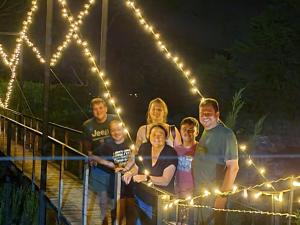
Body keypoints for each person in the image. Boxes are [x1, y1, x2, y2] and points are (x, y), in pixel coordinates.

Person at [193, 98, 239, 225]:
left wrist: (222, 197)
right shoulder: (206, 132)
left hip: (214, 197)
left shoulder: (226, 134)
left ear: (217, 115)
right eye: (202, 113)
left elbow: (233, 168)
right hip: (201, 195)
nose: (204, 116)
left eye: (208, 113)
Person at [123, 124, 178, 224]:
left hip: (160, 202)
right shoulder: (144, 148)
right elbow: (137, 167)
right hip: (141, 197)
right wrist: (130, 173)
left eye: (160, 134)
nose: (157, 137)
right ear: (149, 136)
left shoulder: (171, 153)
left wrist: (146, 178)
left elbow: (165, 180)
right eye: (154, 134)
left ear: (166, 137)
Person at [92, 120, 135, 225]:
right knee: (116, 211)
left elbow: (134, 157)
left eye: (119, 129)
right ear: (110, 132)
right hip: (114, 183)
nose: (116, 132)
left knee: (129, 212)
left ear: (124, 130)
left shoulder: (130, 143)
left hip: (129, 182)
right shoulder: (107, 145)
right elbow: (94, 156)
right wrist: (110, 164)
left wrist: (126, 167)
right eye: (113, 130)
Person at [82, 97, 116, 224]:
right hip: (99, 164)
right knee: (102, 196)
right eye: (95, 109)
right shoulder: (87, 125)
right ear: (92, 111)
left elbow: (122, 136)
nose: (98, 111)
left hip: (115, 163)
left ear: (106, 108)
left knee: (113, 196)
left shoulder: (114, 120)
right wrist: (90, 154)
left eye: (101, 108)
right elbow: (87, 142)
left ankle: (114, 218)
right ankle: (104, 220)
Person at [175, 117, 199, 198]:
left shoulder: (201, 150)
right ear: (180, 131)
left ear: (197, 132)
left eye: (191, 130)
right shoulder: (175, 150)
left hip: (196, 194)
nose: (187, 132)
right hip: (178, 193)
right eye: (184, 129)